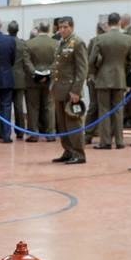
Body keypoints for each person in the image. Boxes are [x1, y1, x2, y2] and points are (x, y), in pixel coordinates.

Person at [89, 13, 131, 150]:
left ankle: (105, 142)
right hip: (120, 79)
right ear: (119, 22)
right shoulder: (128, 39)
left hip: (103, 79)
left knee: (104, 110)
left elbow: (91, 60)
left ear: (108, 23)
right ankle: (120, 141)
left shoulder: (100, 38)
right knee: (118, 110)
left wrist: (95, 73)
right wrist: (123, 71)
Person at [50, 16, 89, 164]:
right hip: (59, 90)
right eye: (60, 27)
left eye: (65, 27)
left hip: (71, 90)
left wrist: (76, 91)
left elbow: (82, 69)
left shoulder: (77, 43)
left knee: (73, 123)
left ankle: (79, 153)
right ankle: (68, 150)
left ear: (72, 27)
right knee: (62, 124)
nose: (62, 30)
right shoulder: (61, 42)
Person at [25, 25, 57, 139]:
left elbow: (26, 61)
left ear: (38, 30)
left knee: (33, 107)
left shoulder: (29, 43)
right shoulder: (55, 43)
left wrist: (36, 73)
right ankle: (51, 134)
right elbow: (57, 61)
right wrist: (48, 73)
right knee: (50, 106)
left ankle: (34, 134)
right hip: (49, 81)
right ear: (48, 30)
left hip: (33, 81)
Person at [8, 21, 33, 141]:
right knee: (18, 107)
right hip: (20, 78)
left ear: (8, 30)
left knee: (5, 106)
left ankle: (3, 131)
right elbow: (26, 62)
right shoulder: (23, 44)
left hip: (6, 77)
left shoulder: (5, 42)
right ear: (17, 30)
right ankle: (20, 131)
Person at [84, 22, 105, 145]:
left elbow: (88, 60)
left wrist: (89, 76)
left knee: (93, 106)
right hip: (101, 78)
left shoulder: (94, 41)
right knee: (101, 107)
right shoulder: (96, 41)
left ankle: (89, 133)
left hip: (94, 78)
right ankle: (97, 132)